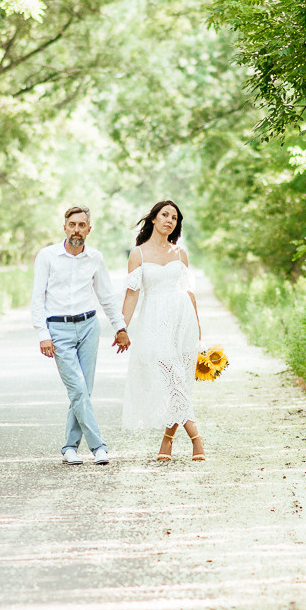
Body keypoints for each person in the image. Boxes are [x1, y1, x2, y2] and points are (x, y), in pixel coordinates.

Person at [30, 205, 130, 465]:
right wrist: (43, 333)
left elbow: (106, 296)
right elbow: (37, 297)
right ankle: (99, 447)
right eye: (72, 224)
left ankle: (70, 448)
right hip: (58, 329)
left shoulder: (95, 258)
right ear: (64, 227)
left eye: (81, 225)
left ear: (89, 229)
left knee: (85, 389)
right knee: (77, 388)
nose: (76, 229)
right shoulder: (47, 256)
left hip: (88, 327)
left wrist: (120, 328)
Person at [120, 199, 205, 462]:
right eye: (165, 215)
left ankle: (166, 443)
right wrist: (121, 328)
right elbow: (132, 294)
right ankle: (197, 439)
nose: (170, 220)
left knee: (178, 381)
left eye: (175, 218)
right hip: (154, 321)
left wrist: (198, 328)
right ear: (154, 219)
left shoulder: (180, 253)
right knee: (172, 376)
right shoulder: (139, 254)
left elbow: (189, 292)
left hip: (182, 320)